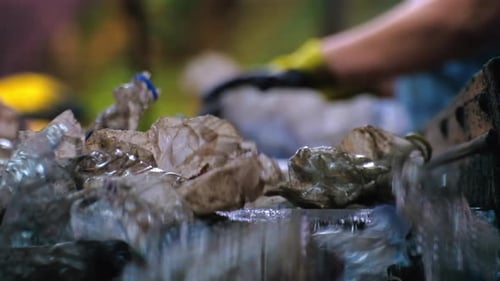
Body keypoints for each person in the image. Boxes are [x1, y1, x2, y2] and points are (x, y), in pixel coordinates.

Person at [200, 0, 500, 156]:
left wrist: (314, 66)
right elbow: (446, 57)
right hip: (423, 121)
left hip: (465, 150)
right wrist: (364, 80)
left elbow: (463, 17)